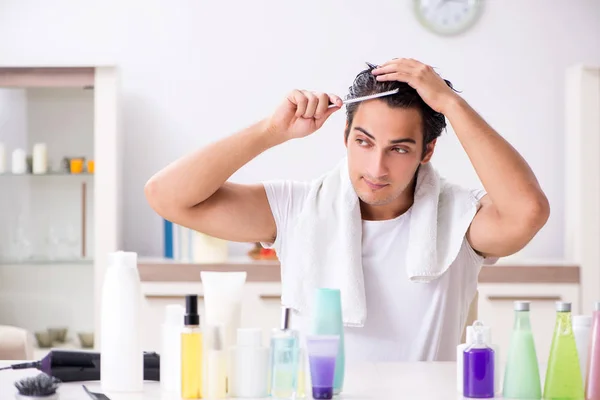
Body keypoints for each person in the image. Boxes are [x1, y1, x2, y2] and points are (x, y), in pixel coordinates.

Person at [145, 58, 549, 361]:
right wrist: (271, 132)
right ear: (345, 135)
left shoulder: (460, 221)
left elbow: (528, 211)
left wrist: (451, 104)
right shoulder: (297, 209)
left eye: (399, 148)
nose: (376, 167)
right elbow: (166, 196)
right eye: (365, 141)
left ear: (427, 150)